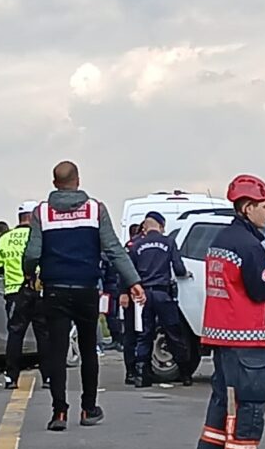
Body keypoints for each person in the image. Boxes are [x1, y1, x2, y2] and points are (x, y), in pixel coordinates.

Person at [22, 161, 144, 432]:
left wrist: (30, 274)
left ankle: (59, 412)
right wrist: (133, 281)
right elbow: (113, 249)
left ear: (55, 183)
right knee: (89, 349)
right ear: (78, 181)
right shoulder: (95, 209)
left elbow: (32, 253)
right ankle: (89, 407)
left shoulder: (42, 212)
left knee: (56, 351)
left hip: (54, 289)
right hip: (87, 289)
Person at [189, 174, 265, 449]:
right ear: (246, 208)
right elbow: (261, 290)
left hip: (221, 335)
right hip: (247, 336)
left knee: (224, 399)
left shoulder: (219, 242)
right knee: (250, 401)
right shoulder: (250, 246)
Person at [129, 211, 192, 388]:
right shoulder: (169, 242)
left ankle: (142, 375)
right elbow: (179, 269)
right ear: (161, 226)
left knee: (144, 334)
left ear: (145, 226)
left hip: (143, 296)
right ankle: (185, 374)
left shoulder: (136, 245)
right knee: (174, 334)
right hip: (163, 294)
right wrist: (186, 274)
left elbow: (129, 271)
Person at [0, 200, 49, 389]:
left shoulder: (5, 238)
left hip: (14, 292)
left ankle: (11, 377)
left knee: (15, 335)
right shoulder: (40, 237)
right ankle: (48, 376)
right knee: (44, 334)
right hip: (39, 291)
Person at [119, 223, 144, 384]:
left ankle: (138, 370)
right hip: (133, 293)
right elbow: (123, 270)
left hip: (141, 293)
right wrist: (123, 292)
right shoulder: (132, 246)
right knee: (132, 334)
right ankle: (131, 371)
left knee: (139, 334)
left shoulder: (135, 245)